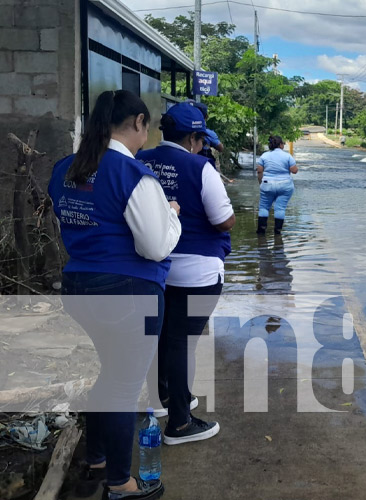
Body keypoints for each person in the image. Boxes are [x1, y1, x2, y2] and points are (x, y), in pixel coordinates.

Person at [48, 90, 181, 500]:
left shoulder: (65, 169)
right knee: (125, 386)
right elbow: (156, 246)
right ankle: (122, 483)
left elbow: (74, 222)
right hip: (129, 294)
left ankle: (97, 457)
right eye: (149, 128)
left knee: (106, 376)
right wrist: (171, 216)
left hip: (78, 288)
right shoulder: (132, 174)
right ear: (139, 122)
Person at [137, 102, 235, 445]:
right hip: (197, 271)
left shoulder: (139, 161)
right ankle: (179, 422)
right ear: (194, 137)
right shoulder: (200, 167)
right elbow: (223, 219)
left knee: (163, 335)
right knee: (182, 342)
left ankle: (164, 398)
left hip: (153, 267)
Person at [256, 135, 298, 235]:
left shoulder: (264, 156)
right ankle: (277, 232)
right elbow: (294, 170)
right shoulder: (287, 156)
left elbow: (259, 171)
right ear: (280, 145)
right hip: (285, 185)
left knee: (264, 208)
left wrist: (261, 183)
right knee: (280, 208)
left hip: (267, 184)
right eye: (283, 143)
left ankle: (261, 232)